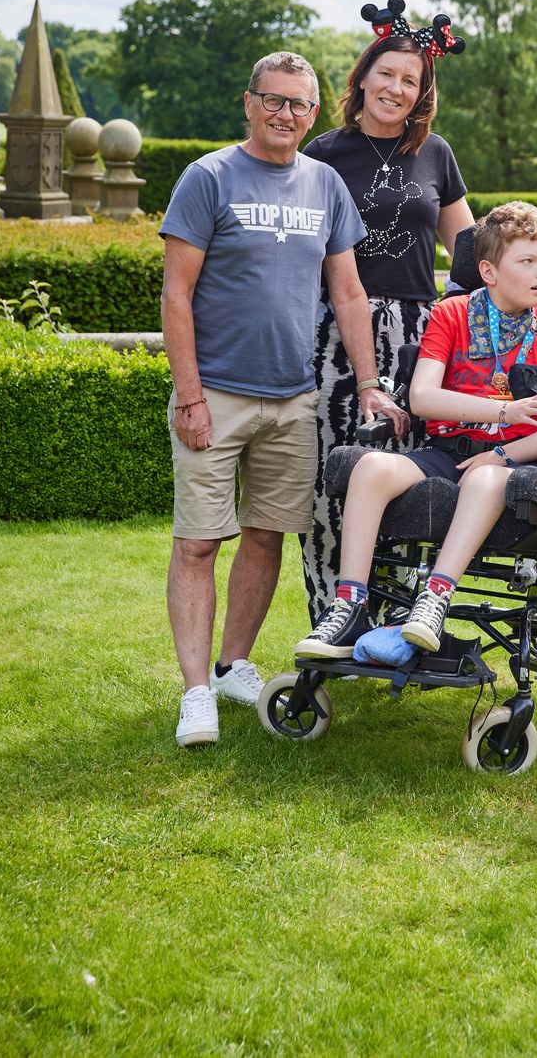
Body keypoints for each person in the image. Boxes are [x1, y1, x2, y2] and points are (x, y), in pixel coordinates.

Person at [300, 0, 537, 623]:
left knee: (407, 475)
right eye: (387, 74)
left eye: (410, 80)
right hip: (333, 333)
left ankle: (398, 617)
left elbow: (472, 250)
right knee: (329, 479)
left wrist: (534, 228)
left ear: (422, 91)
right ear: (364, 75)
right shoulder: (321, 156)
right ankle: (334, 611)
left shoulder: (435, 154)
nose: (395, 89)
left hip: (416, 328)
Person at [159, 51, 400, 748]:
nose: (284, 113)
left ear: (315, 113)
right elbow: (176, 293)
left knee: (266, 534)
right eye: (273, 99)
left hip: (293, 399)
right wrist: (190, 395)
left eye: (298, 103)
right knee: (200, 541)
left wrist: (368, 382)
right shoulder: (207, 178)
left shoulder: (324, 185)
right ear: (249, 102)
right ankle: (196, 692)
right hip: (217, 395)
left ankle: (233, 664)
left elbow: (348, 292)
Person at [295, 202, 537, 659]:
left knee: (483, 476)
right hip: (447, 452)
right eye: (528, 261)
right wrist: (505, 412)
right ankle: (350, 604)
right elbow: (422, 398)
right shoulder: (452, 314)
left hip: (517, 464)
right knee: (372, 466)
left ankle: (433, 599)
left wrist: (505, 453)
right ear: (488, 271)